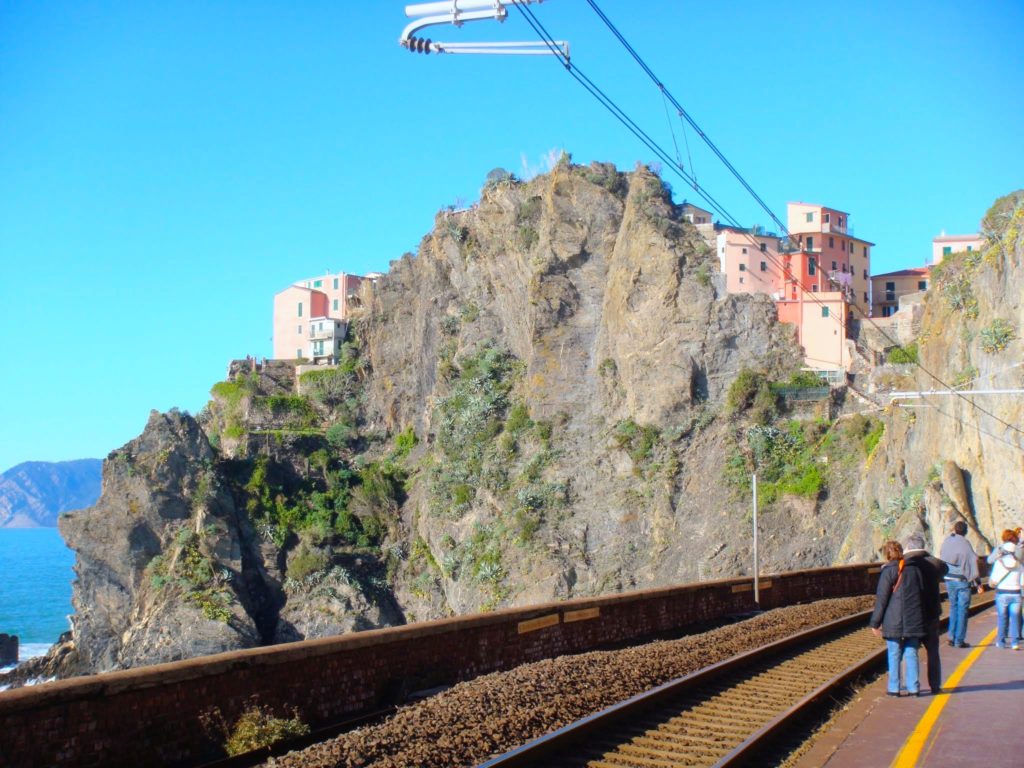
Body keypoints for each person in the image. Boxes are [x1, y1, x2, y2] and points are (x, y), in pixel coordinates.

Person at [870, 540, 931, 697]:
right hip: (913, 619)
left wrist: (875, 622)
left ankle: (894, 688)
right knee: (911, 652)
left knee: (894, 653)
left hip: (893, 620)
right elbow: (923, 594)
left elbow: (882, 599)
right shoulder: (915, 570)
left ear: (887, 554)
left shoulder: (888, 571)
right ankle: (913, 687)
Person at [903, 533, 947, 695]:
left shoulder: (906, 564)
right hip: (932, 613)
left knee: (911, 649)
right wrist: (926, 554)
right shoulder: (933, 564)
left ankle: (913, 687)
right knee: (933, 651)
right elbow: (944, 567)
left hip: (912, 614)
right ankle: (935, 685)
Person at [940, 521, 981, 648]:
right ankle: (959, 640)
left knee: (953, 607)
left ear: (955, 530)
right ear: (965, 531)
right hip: (962, 581)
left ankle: (951, 636)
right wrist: (978, 583)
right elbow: (973, 562)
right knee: (962, 610)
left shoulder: (947, 541)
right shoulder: (965, 544)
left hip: (948, 579)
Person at [986, 529, 1023, 650]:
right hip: (1016, 592)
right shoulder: (1019, 563)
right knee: (1015, 617)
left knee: (1002, 617)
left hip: (1001, 592)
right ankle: (1015, 642)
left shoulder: (999, 560)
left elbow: (993, 575)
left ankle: (1001, 642)